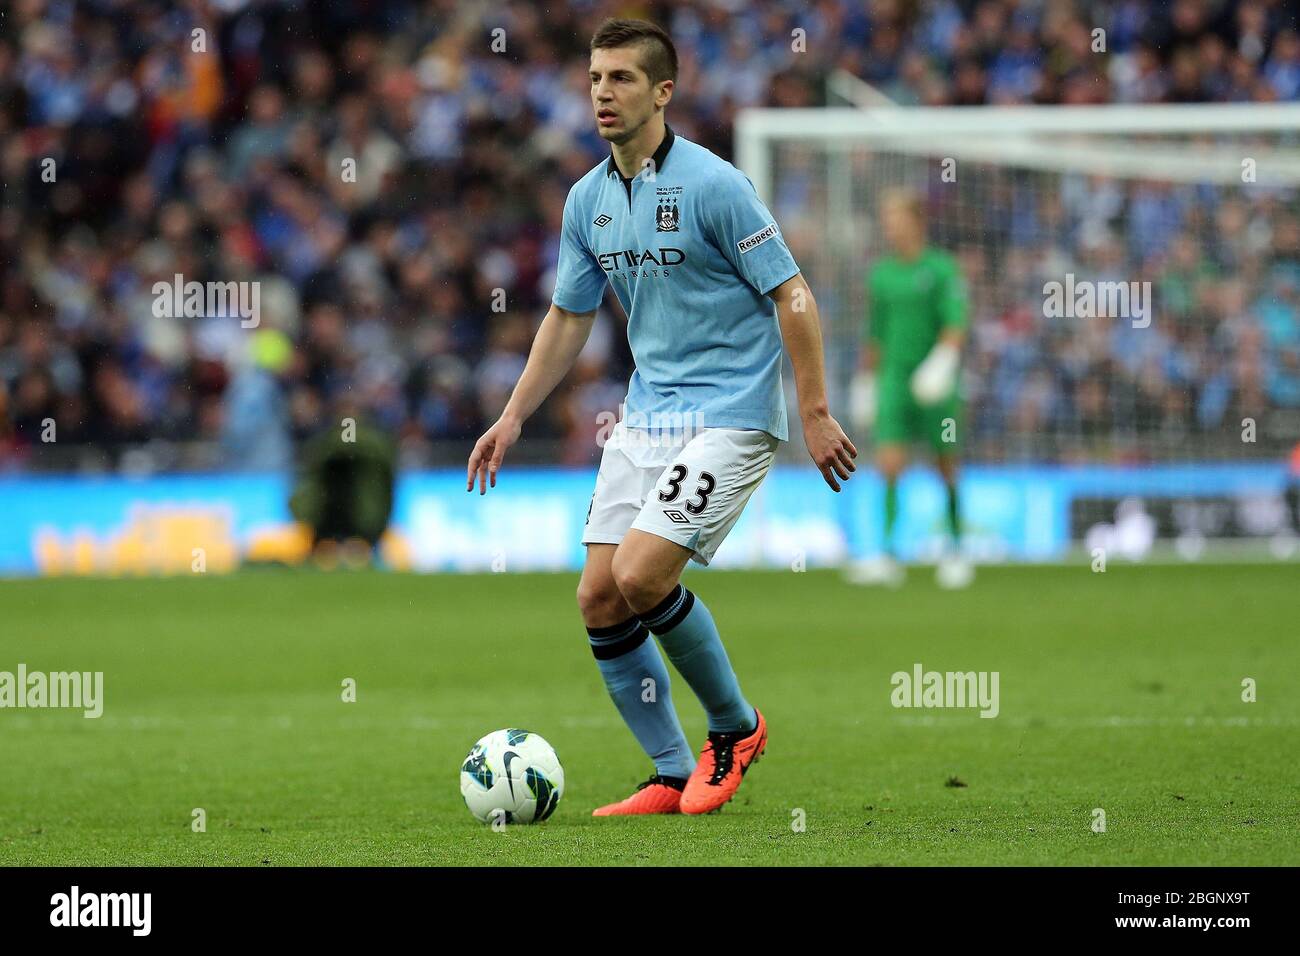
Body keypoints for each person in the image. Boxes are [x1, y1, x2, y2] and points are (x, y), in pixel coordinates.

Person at [466, 18, 855, 816]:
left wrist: (813, 411)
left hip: (732, 413)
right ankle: (672, 771)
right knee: (599, 597)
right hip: (647, 416)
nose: (603, 93)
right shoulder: (588, 200)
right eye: (596, 78)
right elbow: (569, 318)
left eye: (622, 79)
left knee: (642, 574)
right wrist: (511, 417)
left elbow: (793, 293)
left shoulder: (715, 184)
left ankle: (735, 728)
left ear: (663, 92)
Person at [847, 188, 972, 588]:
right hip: (895, 381)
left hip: (936, 380)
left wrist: (941, 364)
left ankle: (956, 550)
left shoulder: (941, 269)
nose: (891, 228)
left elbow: (956, 323)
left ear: (917, 222)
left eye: (897, 219)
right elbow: (875, 336)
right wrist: (866, 380)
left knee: (946, 463)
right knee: (888, 464)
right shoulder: (881, 275)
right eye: (887, 220)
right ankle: (887, 554)